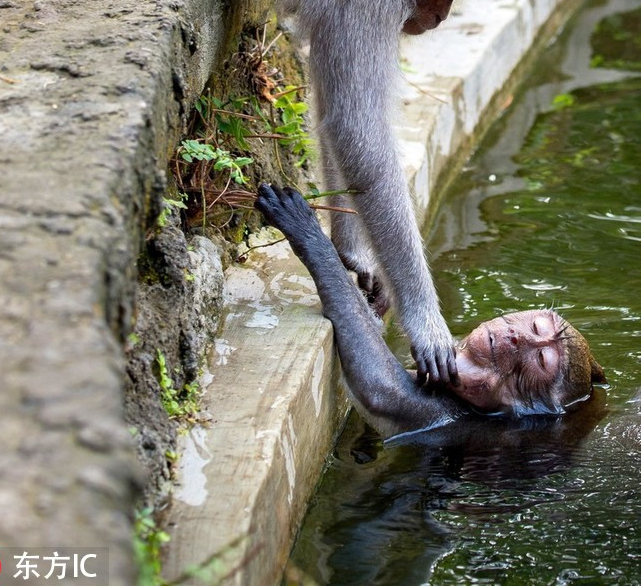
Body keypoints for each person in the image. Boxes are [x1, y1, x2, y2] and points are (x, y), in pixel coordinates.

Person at [256, 185, 606, 440]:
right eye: (534, 325)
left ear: (518, 402)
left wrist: (311, 239)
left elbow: (382, 389)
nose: (519, 336)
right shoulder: (472, 373)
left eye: (540, 360)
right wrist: (376, 306)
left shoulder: (465, 422)